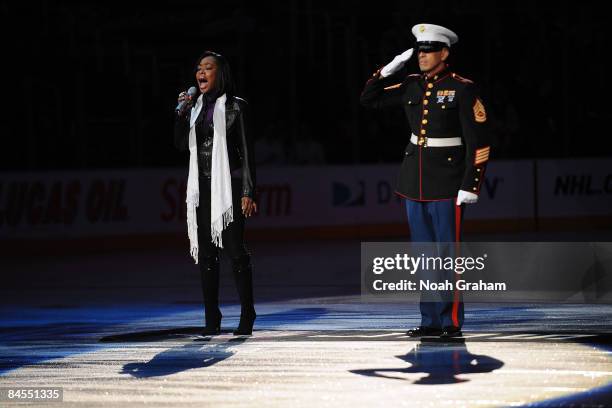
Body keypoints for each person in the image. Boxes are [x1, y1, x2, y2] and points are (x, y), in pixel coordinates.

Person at [360, 24, 491, 338]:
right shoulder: (411, 85)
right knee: (424, 257)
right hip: (413, 181)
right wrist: (387, 70)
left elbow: (479, 141)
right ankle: (430, 320)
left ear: (444, 53)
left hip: (448, 182)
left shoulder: (462, 88)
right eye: (419, 50)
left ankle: (450, 322)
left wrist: (471, 184)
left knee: (448, 255)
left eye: (428, 50)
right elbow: (369, 99)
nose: (422, 56)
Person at [174, 51, 257, 336]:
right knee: (207, 256)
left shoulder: (237, 107)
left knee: (235, 252)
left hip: (229, 188)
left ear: (220, 74)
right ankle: (212, 317)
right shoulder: (193, 107)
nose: (201, 72)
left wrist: (248, 191)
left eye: (208, 68)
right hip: (201, 189)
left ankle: (247, 313)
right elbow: (180, 146)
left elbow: (247, 153)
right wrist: (182, 113)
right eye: (199, 68)